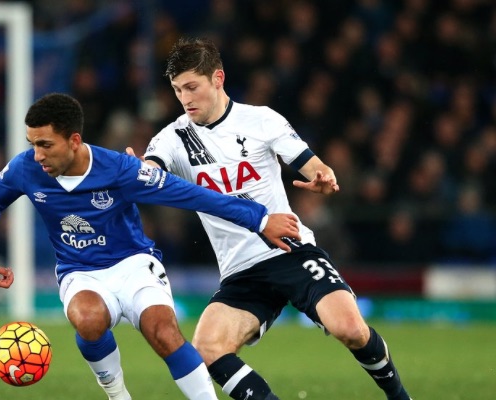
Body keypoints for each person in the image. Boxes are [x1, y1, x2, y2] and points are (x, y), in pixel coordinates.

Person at [128, 37, 412, 400]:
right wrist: (140, 171)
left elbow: (311, 163)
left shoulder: (261, 120)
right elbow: (151, 170)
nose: (185, 98)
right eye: (178, 89)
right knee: (207, 347)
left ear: (218, 78)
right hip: (240, 271)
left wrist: (323, 176)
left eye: (192, 87)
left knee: (350, 330)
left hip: (289, 250)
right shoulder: (173, 138)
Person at [0, 93, 300, 400]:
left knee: (163, 330)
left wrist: (258, 218)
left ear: (74, 140)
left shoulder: (120, 170)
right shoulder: (26, 168)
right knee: (88, 318)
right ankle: (118, 395)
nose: (37, 155)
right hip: (80, 271)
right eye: (32, 144)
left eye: (45, 145)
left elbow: (190, 194)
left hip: (134, 264)